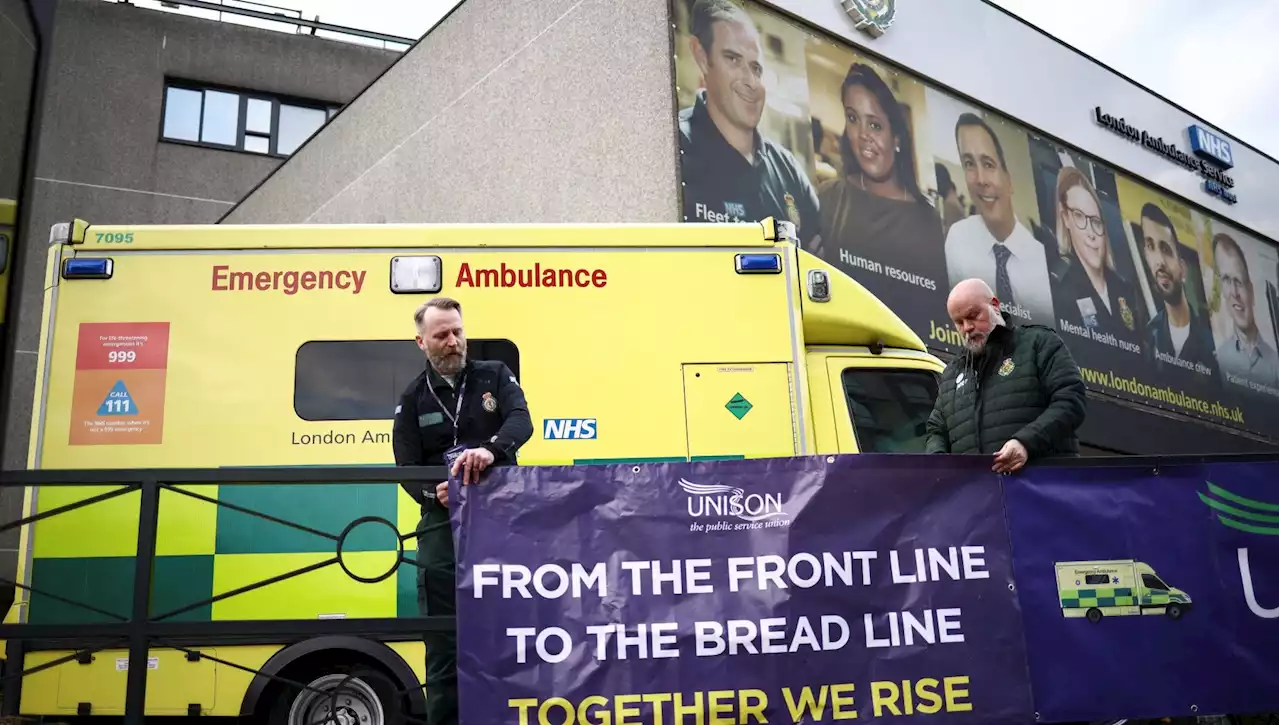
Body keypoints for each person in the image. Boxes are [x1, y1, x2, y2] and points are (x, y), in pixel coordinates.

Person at [391, 296, 533, 725]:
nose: (453, 342)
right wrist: (435, 495)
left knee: (514, 631)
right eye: (442, 335)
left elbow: (522, 421)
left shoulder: (495, 375)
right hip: (442, 526)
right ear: (421, 342)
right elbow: (406, 467)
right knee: (444, 643)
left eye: (458, 332)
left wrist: (491, 452)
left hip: (503, 520)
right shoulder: (412, 397)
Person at [678, 0, 821, 251]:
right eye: (733, 59)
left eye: (756, 68)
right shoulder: (675, 144)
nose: (750, 81)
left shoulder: (788, 169)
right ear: (701, 56)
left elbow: (820, 260)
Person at [925, 278, 1087, 472]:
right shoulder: (953, 372)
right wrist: (938, 462)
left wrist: (1025, 443)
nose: (967, 327)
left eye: (974, 315)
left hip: (1043, 488)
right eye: (959, 322)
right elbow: (936, 429)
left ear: (994, 305)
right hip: (980, 496)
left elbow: (1071, 400)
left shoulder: (1039, 343)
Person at [815, 62, 947, 297]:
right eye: (853, 118)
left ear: (896, 138)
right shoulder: (829, 197)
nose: (863, 134)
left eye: (874, 125)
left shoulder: (928, 222)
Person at [943, 113, 1055, 329]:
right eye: (969, 163)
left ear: (1008, 180)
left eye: (988, 164)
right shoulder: (957, 239)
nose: (981, 180)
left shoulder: (1042, 261)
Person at [1049, 166, 1142, 350]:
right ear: (1066, 218)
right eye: (1080, 217)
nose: (1091, 233)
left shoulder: (1125, 290)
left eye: (1096, 222)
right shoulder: (1060, 288)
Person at [1137, 203, 1218, 377]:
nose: (1159, 261)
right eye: (1151, 246)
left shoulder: (1211, 344)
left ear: (1182, 269)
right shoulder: (1149, 334)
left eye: (1165, 249)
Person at [1212, 231, 1280, 391]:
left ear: (1251, 291)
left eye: (1239, 281)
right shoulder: (1219, 359)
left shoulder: (1276, 363)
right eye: (1227, 280)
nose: (1235, 292)